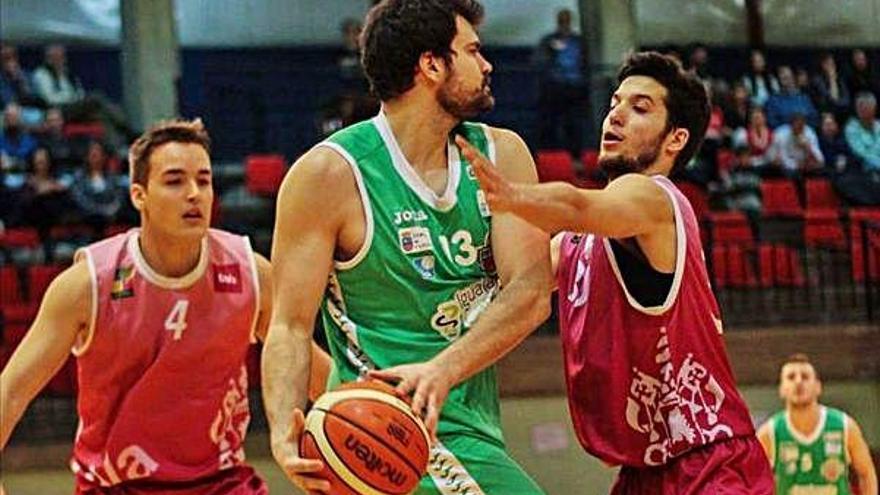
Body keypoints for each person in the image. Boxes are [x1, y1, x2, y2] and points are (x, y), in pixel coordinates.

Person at [262, 1, 552, 493]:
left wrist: (442, 371)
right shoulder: (329, 175)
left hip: (469, 430)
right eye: (473, 51)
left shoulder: (502, 155)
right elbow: (289, 326)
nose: (487, 65)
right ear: (432, 65)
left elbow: (530, 292)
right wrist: (281, 432)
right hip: (381, 431)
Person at [462, 51, 774, 494]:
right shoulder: (572, 244)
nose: (617, 115)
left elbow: (576, 204)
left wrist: (512, 195)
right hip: (642, 473)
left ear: (675, 140)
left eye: (640, 107)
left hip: (709, 462)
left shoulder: (656, 199)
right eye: (614, 103)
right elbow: (512, 298)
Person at [0, 119, 273, 494]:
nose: (194, 193)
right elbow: (12, 389)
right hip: (117, 486)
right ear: (138, 195)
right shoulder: (86, 284)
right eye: (175, 181)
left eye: (204, 181)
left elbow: (302, 359)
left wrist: (366, 398)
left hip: (221, 483)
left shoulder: (250, 271)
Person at [757, 354, 878, 495]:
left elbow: (866, 474)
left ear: (818, 387)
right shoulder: (769, 433)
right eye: (791, 377)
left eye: (805, 376)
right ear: (781, 389)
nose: (798, 382)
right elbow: (749, 481)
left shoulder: (844, 426)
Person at [534, 7, 588, 164]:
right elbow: (539, 61)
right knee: (550, 125)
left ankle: (576, 160)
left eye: (567, 19)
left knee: (574, 126)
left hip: (575, 90)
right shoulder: (548, 41)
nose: (565, 23)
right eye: (562, 20)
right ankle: (548, 159)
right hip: (553, 90)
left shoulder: (578, 42)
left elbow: (585, 63)